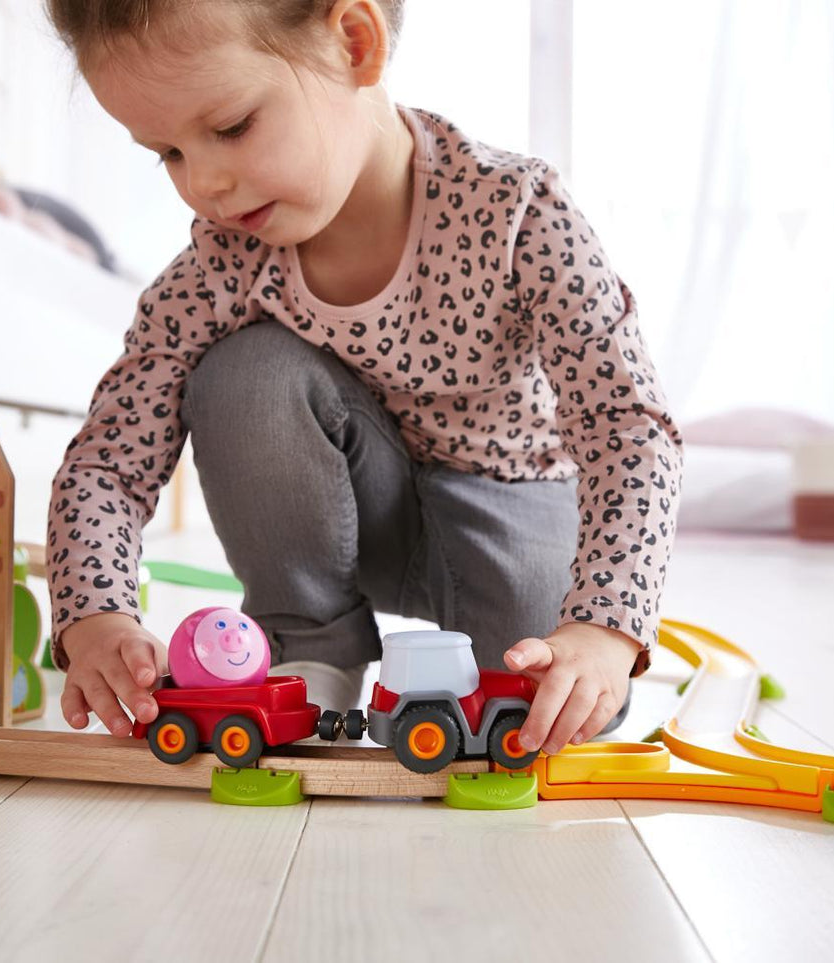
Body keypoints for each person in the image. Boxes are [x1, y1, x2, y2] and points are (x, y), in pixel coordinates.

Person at [43, 0, 683, 757]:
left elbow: (626, 426)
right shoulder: (219, 266)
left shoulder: (517, 211)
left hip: (512, 503)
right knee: (244, 374)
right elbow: (108, 461)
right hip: (355, 505)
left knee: (559, 697)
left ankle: (547, 640)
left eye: (231, 126)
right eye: (168, 153)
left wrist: (603, 626)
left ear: (353, 43)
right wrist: (94, 614)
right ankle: (313, 646)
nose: (204, 184)